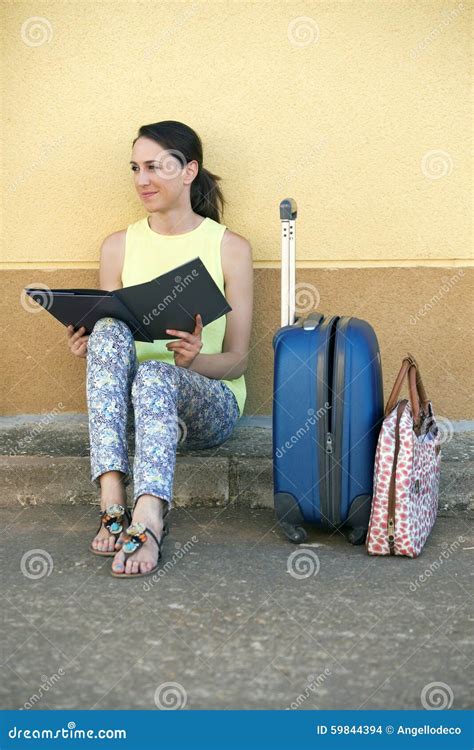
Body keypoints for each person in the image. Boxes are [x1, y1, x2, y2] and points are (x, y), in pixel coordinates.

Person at [66, 120, 253, 578]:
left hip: (208, 404)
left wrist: (196, 359)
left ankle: (149, 516)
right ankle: (112, 500)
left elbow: (239, 359)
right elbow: (111, 343)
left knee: (157, 374)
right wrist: (91, 347)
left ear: (189, 171)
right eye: (135, 168)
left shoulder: (229, 248)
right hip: (136, 407)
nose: (141, 180)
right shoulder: (117, 246)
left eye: (153, 167)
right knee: (108, 330)